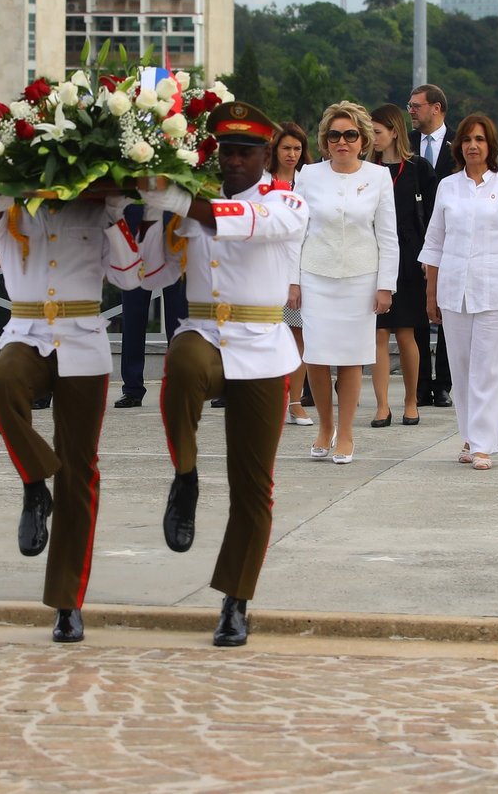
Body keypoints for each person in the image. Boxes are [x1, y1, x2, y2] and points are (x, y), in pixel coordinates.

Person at [139, 100, 308, 647]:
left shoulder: (286, 201)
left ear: (265, 155)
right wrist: (148, 210)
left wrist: (184, 199)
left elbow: (243, 224)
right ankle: (184, 477)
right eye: (225, 151)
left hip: (262, 346)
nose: (233, 160)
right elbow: (146, 274)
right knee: (182, 363)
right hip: (205, 334)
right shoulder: (190, 202)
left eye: (244, 152)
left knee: (252, 488)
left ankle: (235, 601)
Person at [0, 191, 143, 643]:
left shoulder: (97, 204)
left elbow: (129, 278)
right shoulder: (7, 201)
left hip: (83, 340)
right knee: (3, 381)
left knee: (78, 472)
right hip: (25, 332)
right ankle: (34, 484)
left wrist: (111, 215)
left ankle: (68, 602)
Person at [420, 114, 498, 470]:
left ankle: (485, 443)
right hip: (453, 290)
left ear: (490, 146)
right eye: (468, 139)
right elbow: (434, 243)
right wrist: (431, 294)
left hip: (495, 291)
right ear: (459, 146)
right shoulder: (447, 187)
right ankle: (469, 437)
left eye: (480, 140)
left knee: (489, 369)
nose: (473, 145)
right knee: (462, 367)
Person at [292, 102, 397, 463]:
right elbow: (296, 233)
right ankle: (325, 426)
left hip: (361, 279)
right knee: (317, 357)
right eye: (335, 135)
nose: (342, 141)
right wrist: (293, 281)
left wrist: (387, 285)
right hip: (315, 276)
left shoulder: (378, 178)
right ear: (325, 140)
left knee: (352, 360)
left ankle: (347, 433)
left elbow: (388, 236)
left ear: (363, 139)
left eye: (350, 135)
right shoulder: (307, 175)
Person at [369, 103, 436, 427]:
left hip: (410, 257)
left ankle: (412, 400)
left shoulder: (418, 168)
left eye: (377, 132)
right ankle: (382, 405)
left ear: (394, 131)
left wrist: (430, 258)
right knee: (379, 334)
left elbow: (435, 217)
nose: (372, 138)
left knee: (407, 333)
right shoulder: (366, 168)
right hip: (373, 256)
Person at [407, 83, 456, 408]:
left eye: (416, 105)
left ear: (436, 107)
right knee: (419, 313)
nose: (411, 110)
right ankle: (421, 383)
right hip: (414, 237)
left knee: (449, 314)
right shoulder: (406, 144)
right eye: (409, 105)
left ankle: (444, 385)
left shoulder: (459, 144)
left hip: (452, 238)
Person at [114, 204, 188, 409]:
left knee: (179, 320)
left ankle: (180, 386)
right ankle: (132, 389)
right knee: (133, 318)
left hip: (174, 239)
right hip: (135, 241)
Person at [269, 121, 315, 425]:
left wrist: (295, 280)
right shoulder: (261, 181)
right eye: (286, 147)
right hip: (265, 267)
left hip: (299, 266)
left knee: (299, 336)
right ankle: (269, 399)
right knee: (267, 335)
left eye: (297, 148)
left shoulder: (308, 181)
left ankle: (295, 401)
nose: (292, 154)